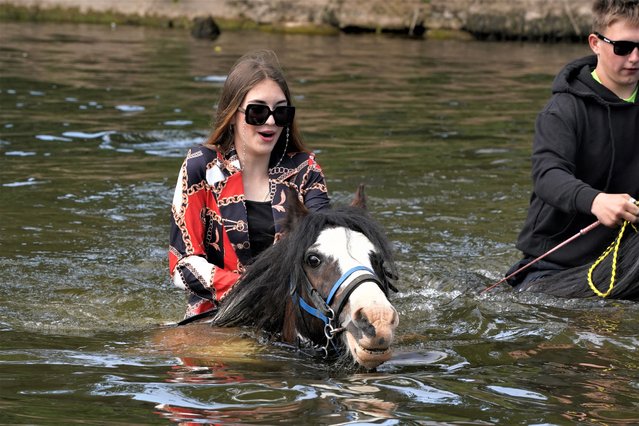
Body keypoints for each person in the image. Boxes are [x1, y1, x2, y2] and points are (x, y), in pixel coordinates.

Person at [169, 50, 330, 320]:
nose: (270, 121)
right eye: (257, 112)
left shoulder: (306, 170)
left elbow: (324, 246)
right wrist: (249, 291)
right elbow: (182, 265)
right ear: (233, 114)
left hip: (291, 317)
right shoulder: (202, 166)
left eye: (281, 112)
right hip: (216, 317)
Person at [507, 0, 639, 287]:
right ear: (595, 43)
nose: (635, 58)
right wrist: (595, 200)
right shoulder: (563, 110)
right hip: (556, 266)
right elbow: (547, 175)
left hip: (627, 254)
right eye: (623, 48)